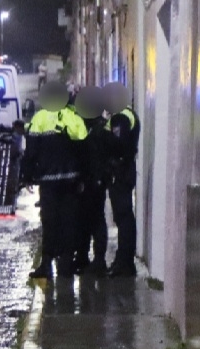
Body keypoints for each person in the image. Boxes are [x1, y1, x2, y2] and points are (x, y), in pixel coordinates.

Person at [20, 81, 88, 279]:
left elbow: (31, 151)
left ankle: (47, 264)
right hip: (70, 182)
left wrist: (26, 176)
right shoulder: (73, 117)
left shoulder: (39, 119)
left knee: (49, 222)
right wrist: (83, 177)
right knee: (68, 222)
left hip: (48, 182)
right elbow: (84, 150)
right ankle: (66, 265)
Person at [72, 86, 111, 276]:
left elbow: (94, 157)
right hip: (91, 180)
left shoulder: (97, 129)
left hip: (94, 181)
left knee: (94, 220)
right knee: (85, 219)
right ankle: (84, 257)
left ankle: (97, 260)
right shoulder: (92, 126)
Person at [103, 82, 140, 277]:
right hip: (124, 169)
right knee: (123, 217)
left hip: (120, 171)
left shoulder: (120, 118)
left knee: (123, 217)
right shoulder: (128, 114)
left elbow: (119, 145)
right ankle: (124, 260)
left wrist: (103, 136)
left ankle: (124, 262)